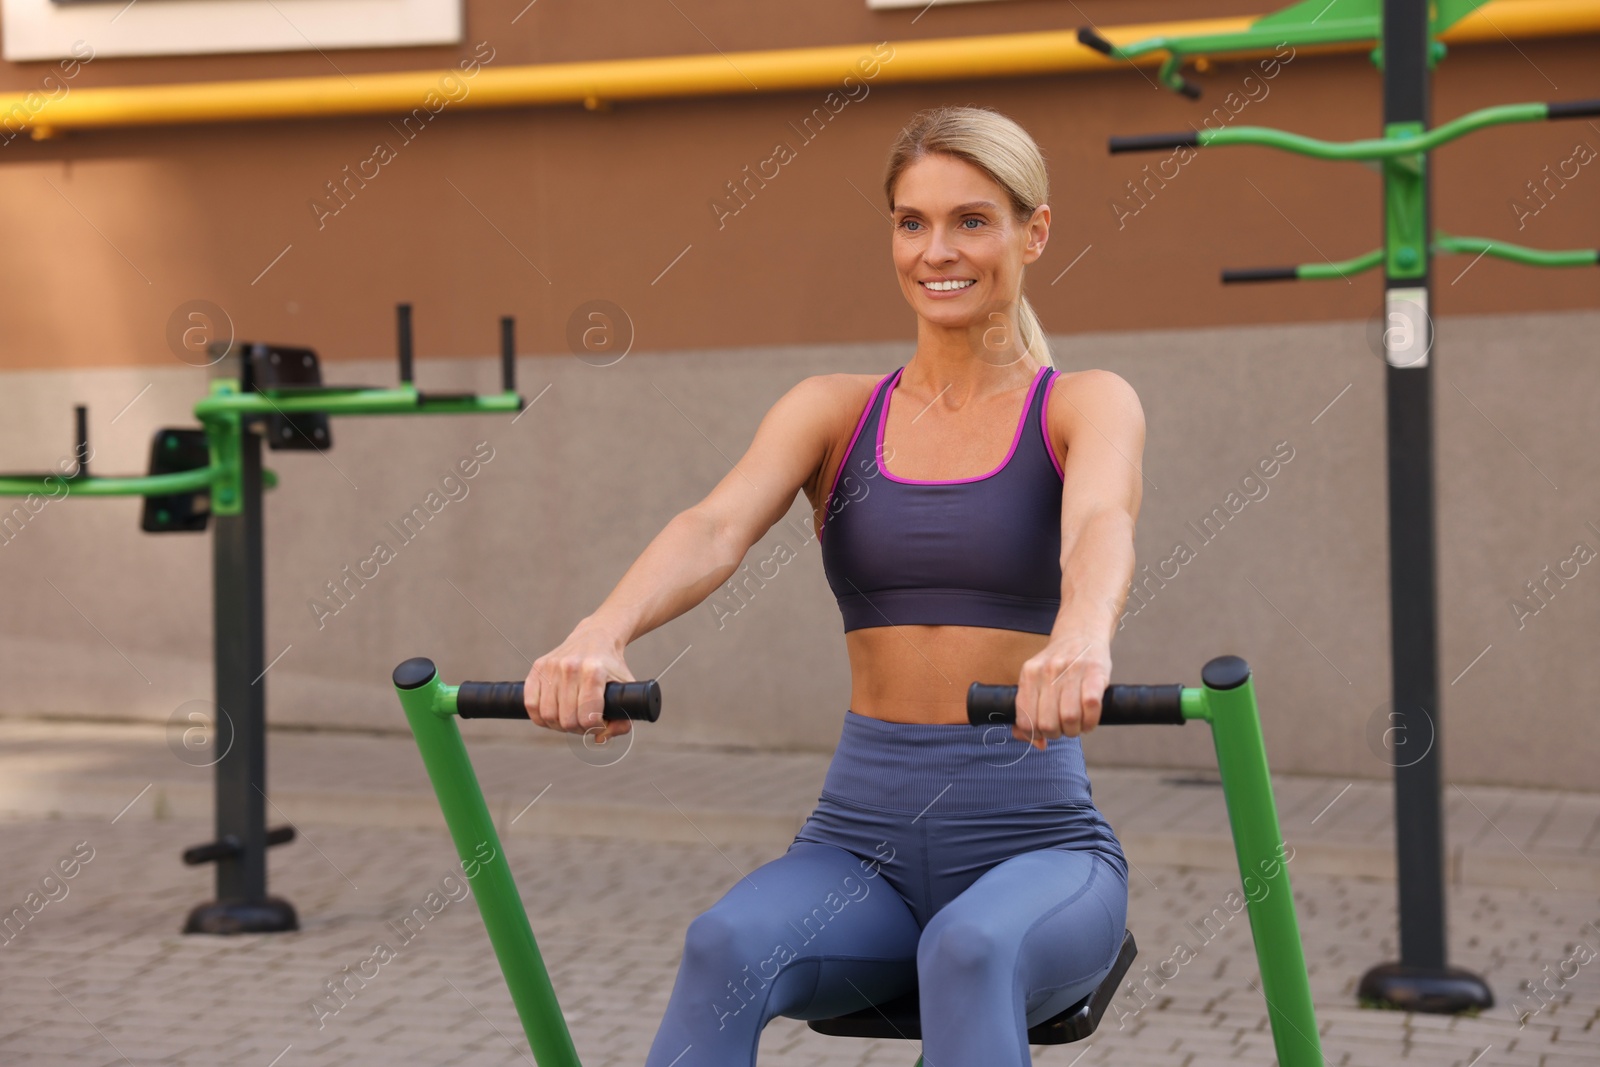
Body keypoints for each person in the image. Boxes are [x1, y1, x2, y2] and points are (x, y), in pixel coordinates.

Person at [523, 105, 1146, 1067]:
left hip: (1039, 849)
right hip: (861, 845)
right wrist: (602, 632)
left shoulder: (1082, 402)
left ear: (1036, 231)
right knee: (723, 943)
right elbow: (714, 525)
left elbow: (1103, 521)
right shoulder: (834, 411)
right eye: (912, 221)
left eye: (971, 220)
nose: (937, 250)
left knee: (969, 949)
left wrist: (1083, 634)